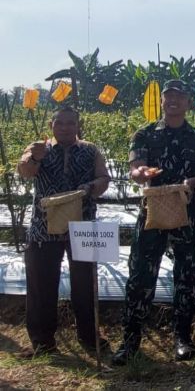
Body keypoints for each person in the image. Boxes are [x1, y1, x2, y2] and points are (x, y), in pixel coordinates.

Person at [112, 80, 195, 365]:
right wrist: (141, 173)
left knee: (187, 275)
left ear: (188, 102)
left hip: (186, 212)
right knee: (140, 275)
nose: (173, 101)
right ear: (162, 101)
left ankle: (183, 337)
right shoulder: (144, 134)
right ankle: (130, 340)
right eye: (168, 96)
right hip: (152, 213)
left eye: (179, 97)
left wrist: (191, 182)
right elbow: (135, 168)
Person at [16, 106, 111, 357]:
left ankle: (89, 335)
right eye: (60, 123)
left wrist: (90, 187)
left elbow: (104, 178)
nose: (66, 128)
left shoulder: (90, 150)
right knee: (41, 283)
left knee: (85, 283)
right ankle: (42, 341)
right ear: (51, 126)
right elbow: (24, 171)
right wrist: (34, 158)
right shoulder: (39, 148)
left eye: (71, 123)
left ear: (78, 126)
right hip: (44, 227)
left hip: (83, 225)